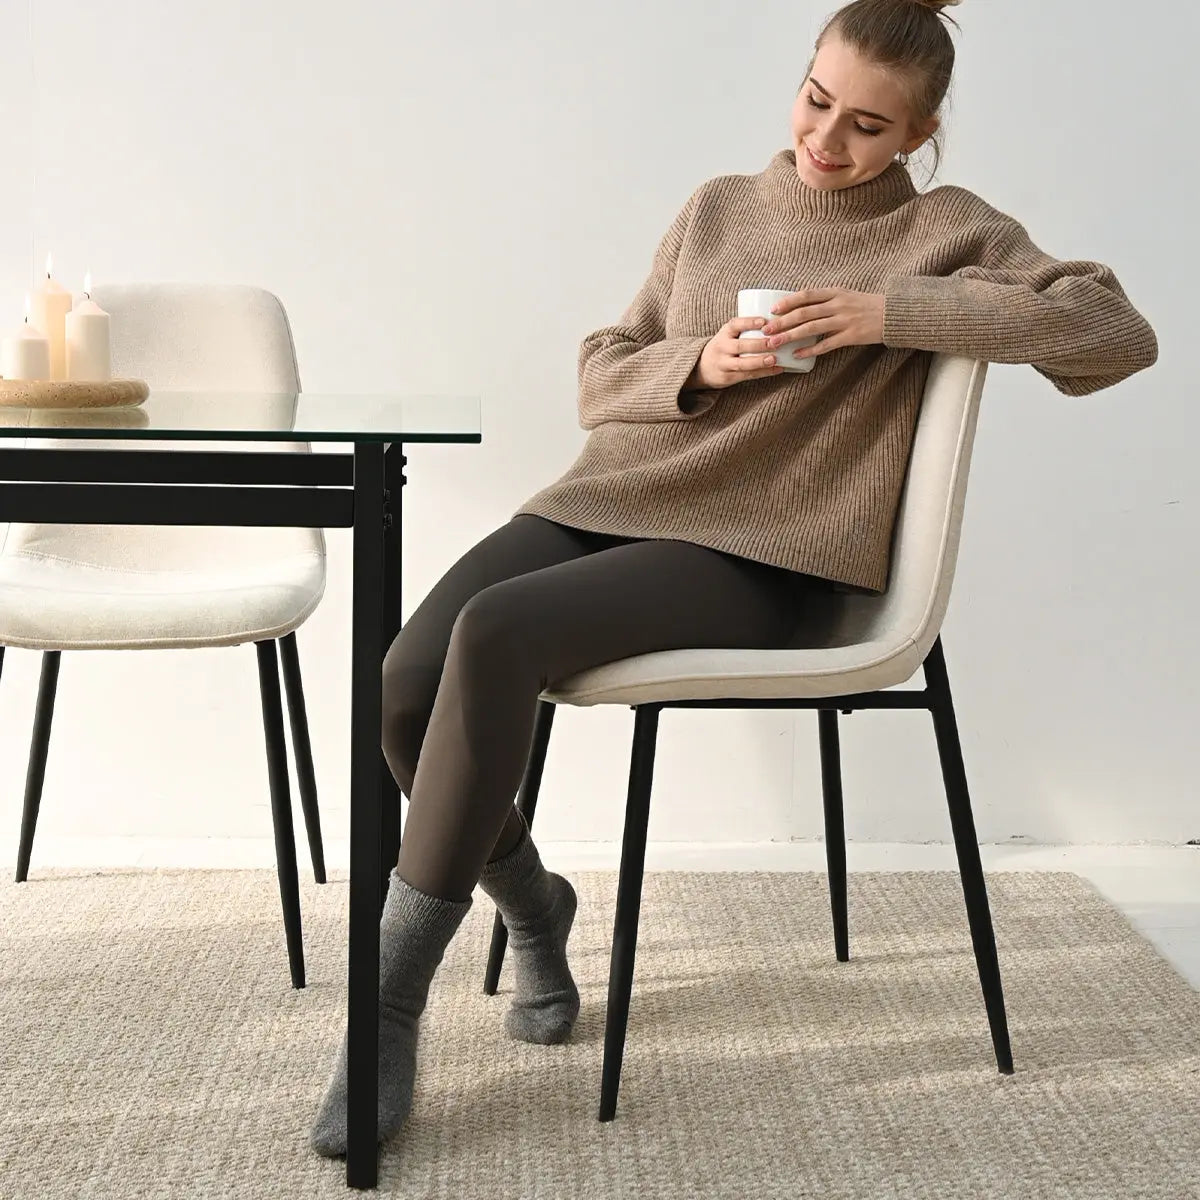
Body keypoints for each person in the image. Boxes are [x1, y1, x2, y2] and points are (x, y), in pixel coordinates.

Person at [309, 0, 1158, 1156]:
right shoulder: (716, 209)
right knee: (405, 676)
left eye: (869, 125)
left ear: (920, 132)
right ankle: (533, 906)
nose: (826, 141)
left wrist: (890, 312)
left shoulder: (951, 229)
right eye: (817, 101)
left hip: (771, 550)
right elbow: (602, 374)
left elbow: (1115, 331)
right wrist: (700, 362)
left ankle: (387, 1011)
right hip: (611, 498)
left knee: (498, 634)